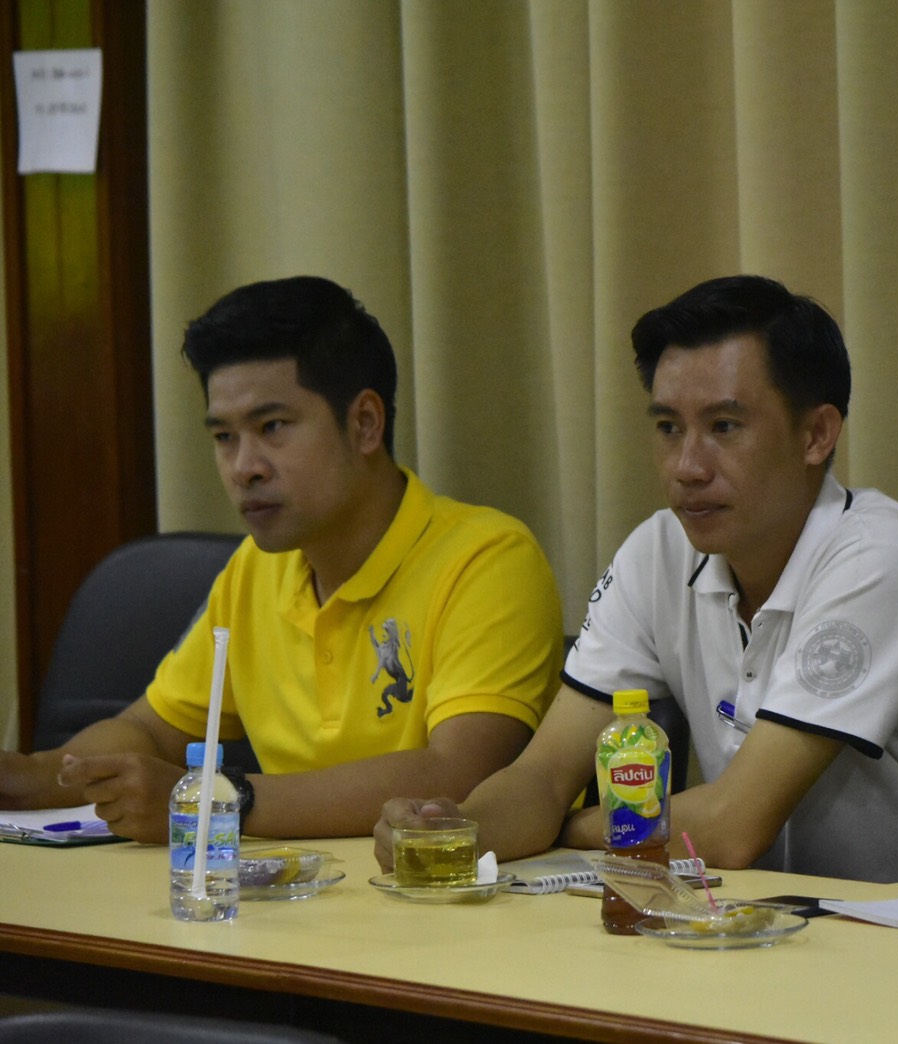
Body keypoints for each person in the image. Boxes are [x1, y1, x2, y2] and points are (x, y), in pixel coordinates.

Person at [376, 274, 898, 882]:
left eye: (724, 427)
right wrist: (453, 828)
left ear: (816, 435)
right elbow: (541, 778)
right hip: (777, 920)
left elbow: (733, 826)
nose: (687, 466)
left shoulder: (879, 560)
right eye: (668, 428)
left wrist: (564, 827)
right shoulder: (657, 552)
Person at [0, 276, 563, 843]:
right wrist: (34, 777)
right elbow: (148, 732)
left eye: (272, 427)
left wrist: (221, 802)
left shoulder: (486, 559)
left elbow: (462, 775)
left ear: (365, 423)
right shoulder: (255, 569)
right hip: (290, 890)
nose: (243, 467)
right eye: (224, 437)